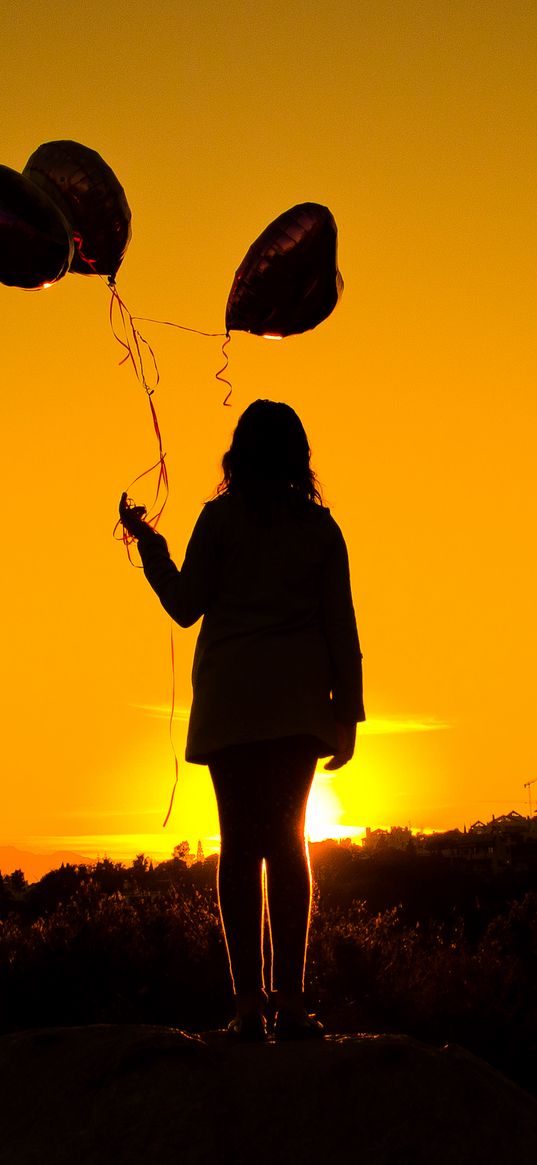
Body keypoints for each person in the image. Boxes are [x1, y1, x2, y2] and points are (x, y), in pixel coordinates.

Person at [119, 399, 365, 1040]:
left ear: (238, 454)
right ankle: (289, 1000)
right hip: (298, 706)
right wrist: (350, 714)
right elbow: (341, 625)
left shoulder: (219, 520)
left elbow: (183, 605)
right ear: (298, 457)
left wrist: (149, 546)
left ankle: (248, 1007)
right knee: (288, 847)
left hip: (231, 703)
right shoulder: (320, 529)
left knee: (239, 847)